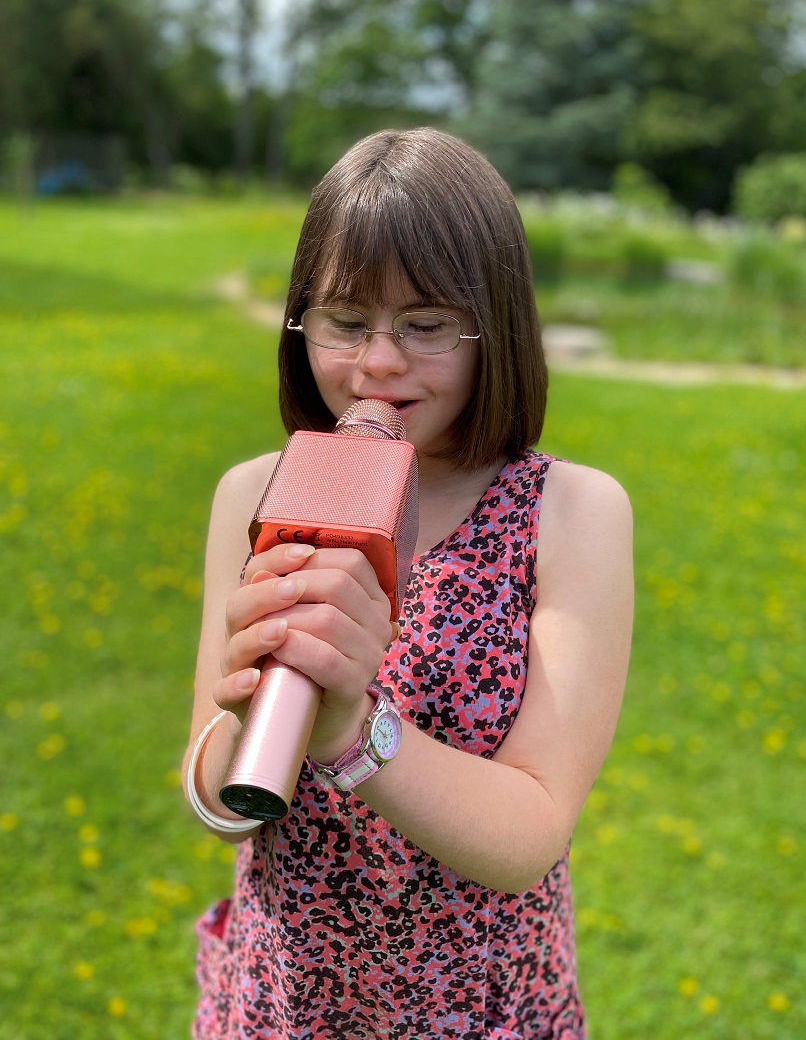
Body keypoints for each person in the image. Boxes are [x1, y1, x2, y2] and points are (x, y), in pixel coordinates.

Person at [183, 127, 633, 1040]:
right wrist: (243, 716)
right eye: (345, 320)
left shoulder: (572, 513)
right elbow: (216, 802)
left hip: (476, 1009)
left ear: (494, 327)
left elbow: (529, 833)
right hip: (282, 1003)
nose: (378, 362)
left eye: (425, 325)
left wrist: (353, 729)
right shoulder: (252, 492)